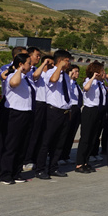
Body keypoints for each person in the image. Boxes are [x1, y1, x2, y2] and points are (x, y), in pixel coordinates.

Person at [35, 49, 73, 179]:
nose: (69, 63)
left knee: (59, 142)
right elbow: (53, 80)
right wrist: (59, 67)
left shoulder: (66, 76)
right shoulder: (51, 72)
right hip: (53, 111)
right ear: (60, 61)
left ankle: (53, 167)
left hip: (64, 111)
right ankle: (40, 169)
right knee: (47, 141)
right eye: (67, 61)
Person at [0, 53, 35, 184]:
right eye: (28, 63)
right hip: (15, 113)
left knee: (22, 145)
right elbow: (14, 83)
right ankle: (6, 173)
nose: (31, 65)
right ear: (21, 64)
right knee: (12, 145)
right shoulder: (12, 76)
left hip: (27, 113)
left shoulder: (26, 78)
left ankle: (16, 172)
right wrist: (18, 70)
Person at [0, 46, 27, 175]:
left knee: (20, 140)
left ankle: (15, 168)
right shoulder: (6, 68)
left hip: (24, 107)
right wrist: (16, 69)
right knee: (5, 136)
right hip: (9, 104)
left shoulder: (28, 71)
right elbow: (7, 78)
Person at [75, 61, 106, 173]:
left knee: (93, 138)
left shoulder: (101, 84)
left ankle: (86, 162)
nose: (104, 73)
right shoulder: (89, 81)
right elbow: (86, 88)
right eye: (102, 71)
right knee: (86, 138)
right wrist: (93, 77)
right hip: (89, 111)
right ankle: (79, 163)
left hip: (98, 111)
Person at [23, 51, 52, 171]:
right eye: (37, 56)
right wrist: (44, 63)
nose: (38, 58)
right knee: (33, 133)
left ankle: (36, 157)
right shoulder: (32, 70)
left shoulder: (49, 74)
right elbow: (35, 76)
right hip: (37, 103)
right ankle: (27, 159)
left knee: (41, 133)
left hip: (46, 104)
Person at [59, 65, 83, 164]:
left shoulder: (76, 84)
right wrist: (68, 77)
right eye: (75, 71)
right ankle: (59, 156)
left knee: (72, 133)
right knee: (65, 133)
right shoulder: (68, 83)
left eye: (77, 71)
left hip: (77, 108)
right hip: (70, 108)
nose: (77, 73)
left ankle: (66, 155)